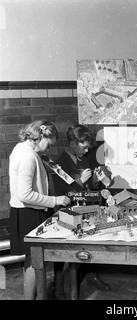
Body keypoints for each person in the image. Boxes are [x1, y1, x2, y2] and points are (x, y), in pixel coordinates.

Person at [9, 119, 71, 300]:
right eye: (48, 145)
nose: (48, 149)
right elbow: (25, 195)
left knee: (31, 261)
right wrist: (55, 200)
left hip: (27, 211)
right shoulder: (27, 156)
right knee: (34, 262)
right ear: (41, 135)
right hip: (30, 212)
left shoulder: (22, 149)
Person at [52, 124, 111, 300]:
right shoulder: (60, 163)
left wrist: (94, 181)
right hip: (67, 212)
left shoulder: (82, 158)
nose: (86, 151)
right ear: (72, 144)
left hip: (86, 209)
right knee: (63, 251)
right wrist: (79, 181)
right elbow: (61, 192)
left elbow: (89, 188)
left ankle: (91, 275)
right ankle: (59, 285)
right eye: (84, 147)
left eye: (88, 148)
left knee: (92, 243)